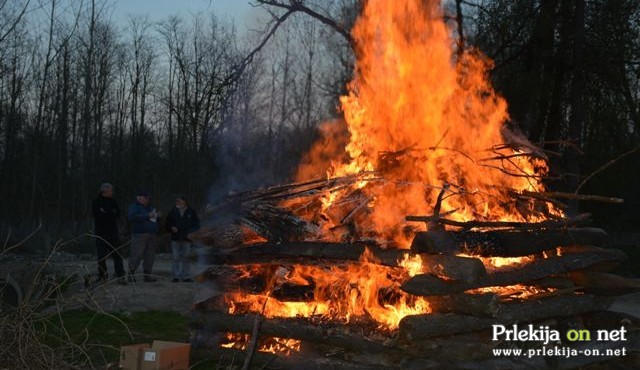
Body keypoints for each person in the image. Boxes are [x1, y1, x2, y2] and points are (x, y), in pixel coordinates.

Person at [92, 183, 126, 284]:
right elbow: (98, 215)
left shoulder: (113, 201)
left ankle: (120, 276)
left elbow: (118, 213)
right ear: (105, 191)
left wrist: (106, 212)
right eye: (111, 190)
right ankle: (102, 276)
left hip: (113, 233)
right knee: (101, 256)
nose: (112, 192)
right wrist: (110, 213)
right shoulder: (96, 202)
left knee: (117, 255)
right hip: (101, 233)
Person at [127, 190, 161, 282]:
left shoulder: (150, 207)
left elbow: (154, 218)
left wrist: (158, 216)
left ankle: (147, 275)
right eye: (145, 198)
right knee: (136, 254)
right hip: (139, 234)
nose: (147, 200)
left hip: (152, 234)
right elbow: (131, 217)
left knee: (150, 255)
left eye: (148, 198)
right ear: (139, 198)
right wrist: (147, 215)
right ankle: (131, 274)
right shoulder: (134, 207)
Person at [165, 195, 200, 282]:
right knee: (175, 257)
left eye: (179, 201)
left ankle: (186, 276)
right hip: (175, 238)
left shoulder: (191, 212)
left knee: (186, 257)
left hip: (187, 238)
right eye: (176, 201)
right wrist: (171, 227)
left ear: (185, 202)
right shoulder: (173, 211)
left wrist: (191, 232)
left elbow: (196, 224)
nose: (177, 202)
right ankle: (176, 276)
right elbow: (167, 223)